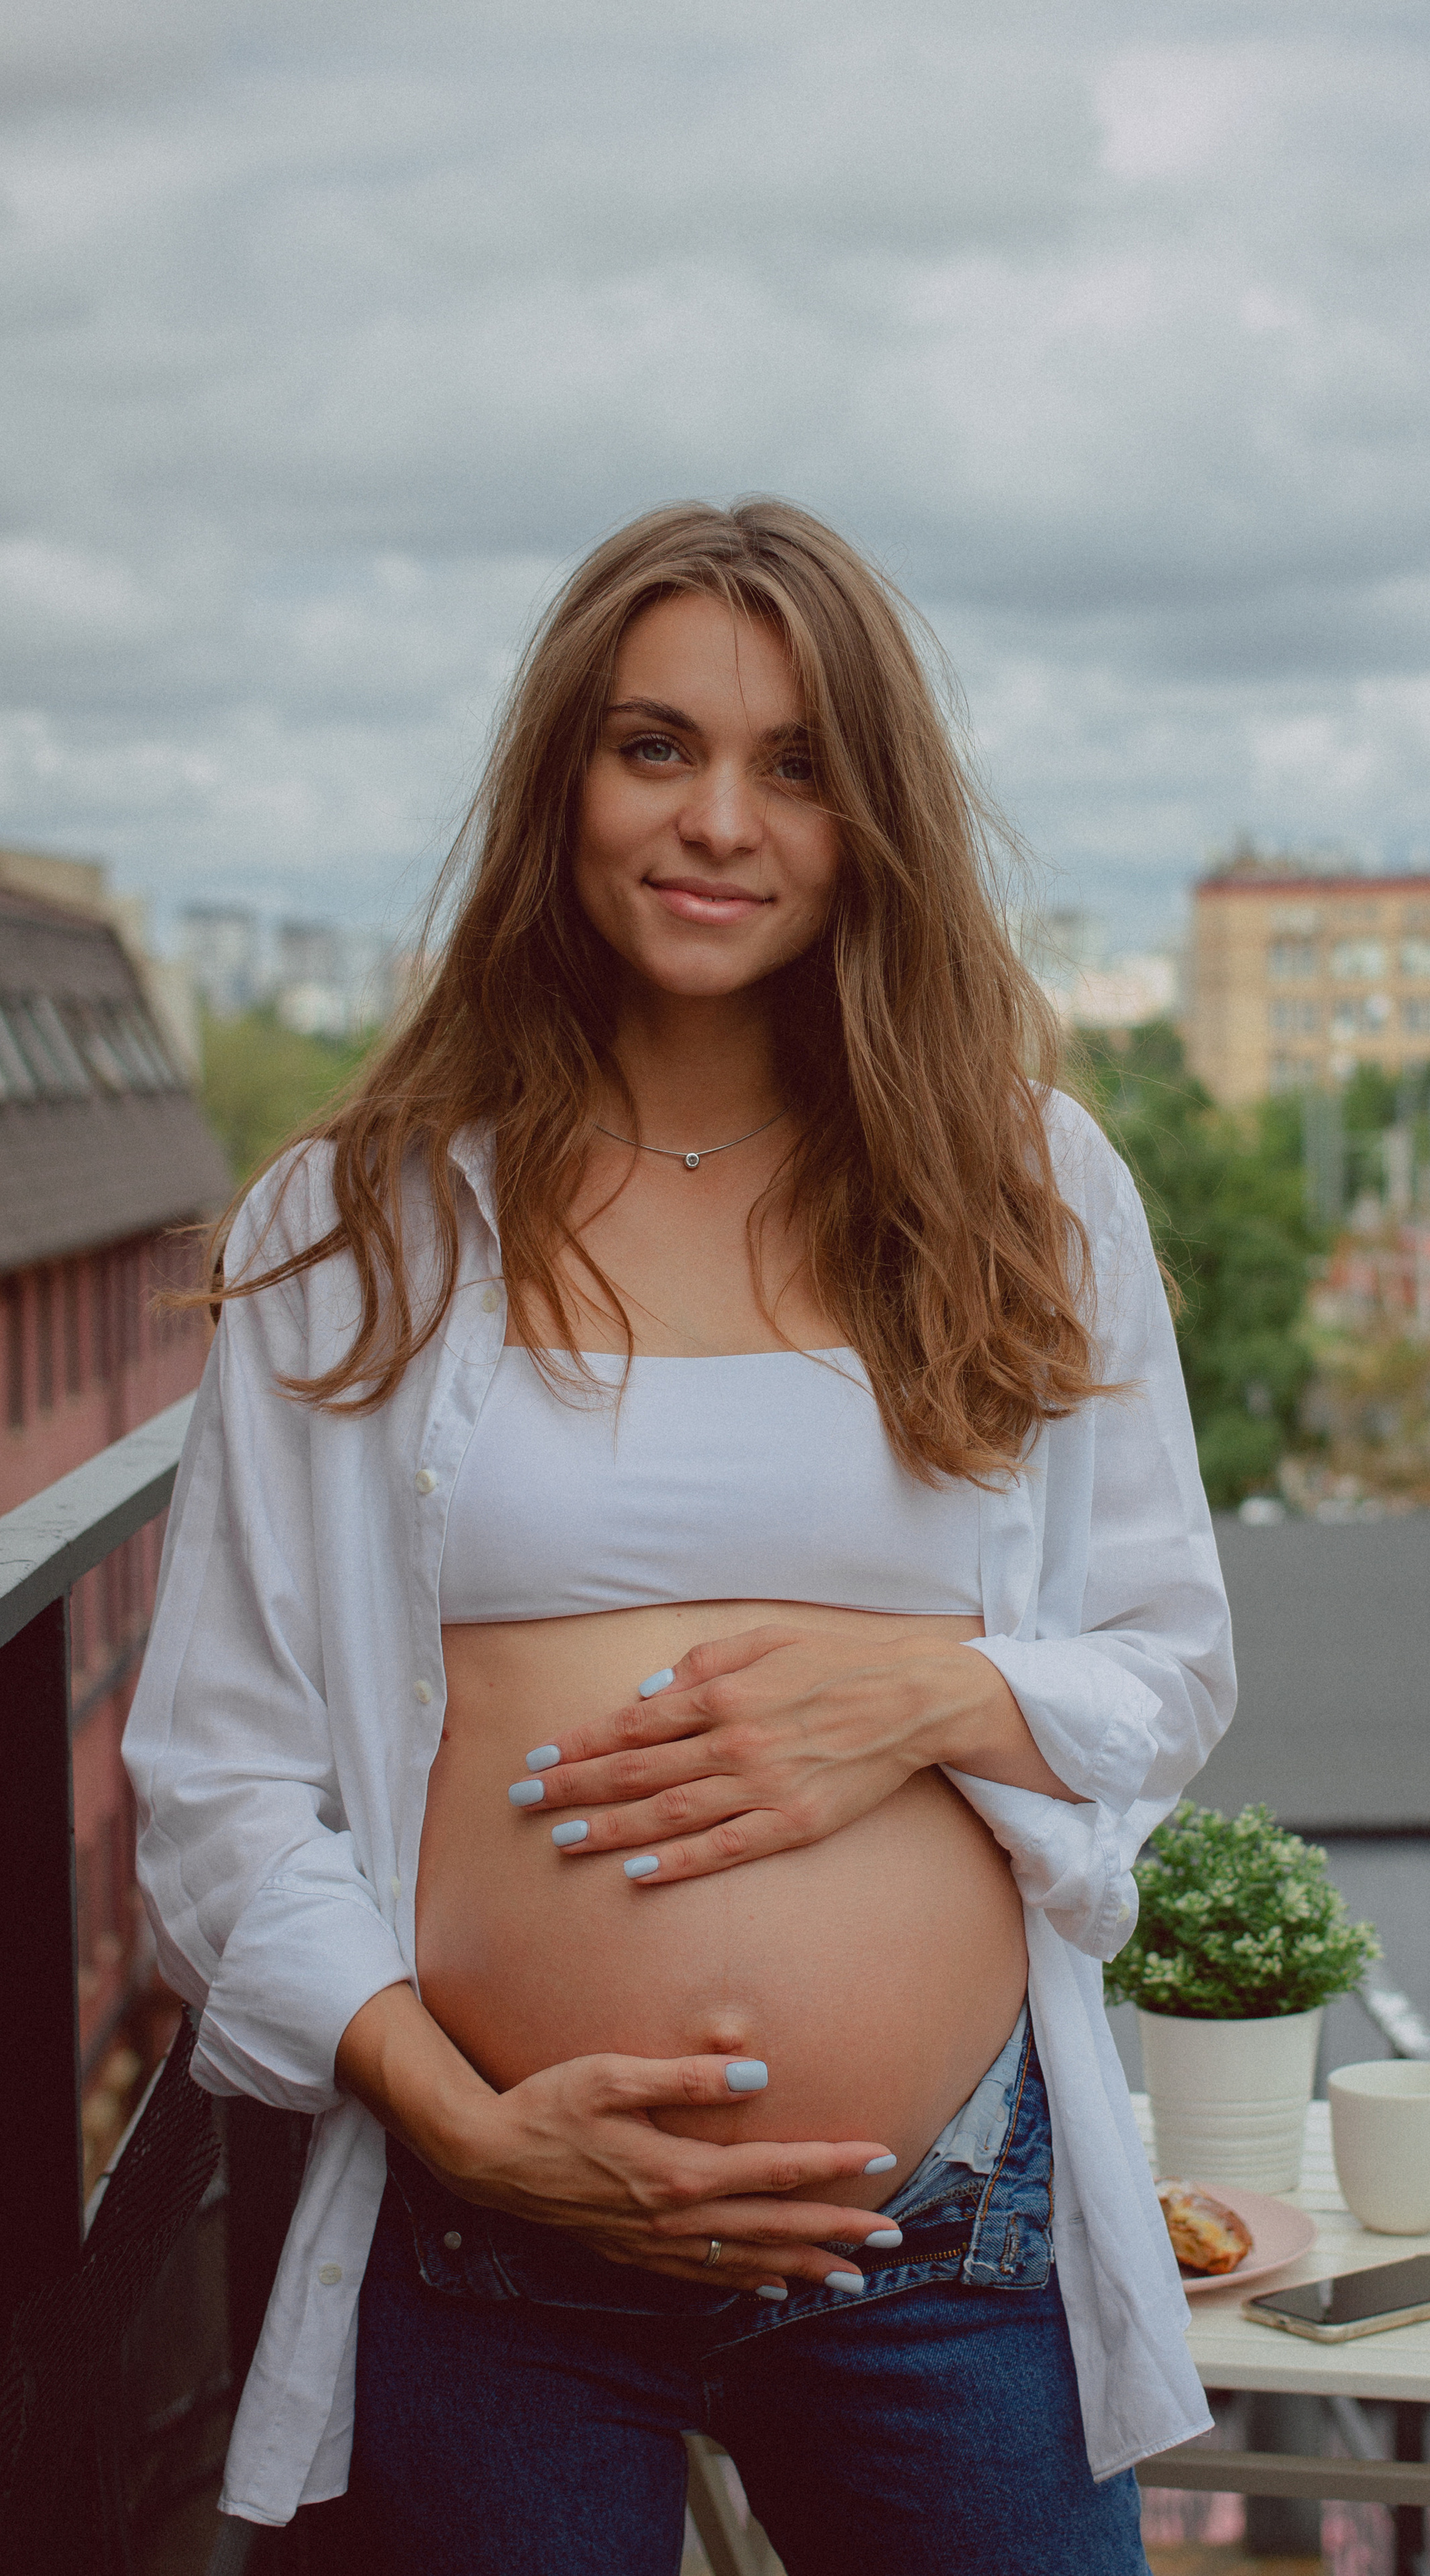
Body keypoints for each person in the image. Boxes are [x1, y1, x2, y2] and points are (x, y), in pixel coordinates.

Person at [125, 498, 1235, 2575]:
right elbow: (218, 1777)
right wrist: (466, 2124)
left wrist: (926, 1694)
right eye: (656, 747)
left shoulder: (1030, 1188)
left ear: (871, 819)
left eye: (795, 766)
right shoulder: (359, 1222)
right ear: (564, 780)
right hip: (493, 2246)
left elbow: (1166, 1671)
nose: (719, 818)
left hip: (950, 2242)